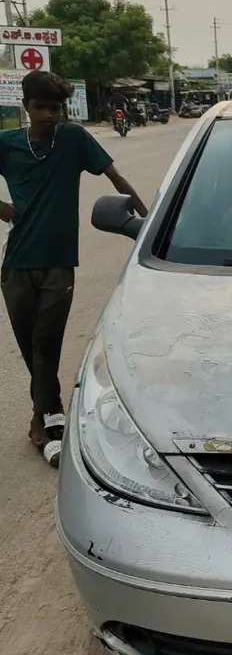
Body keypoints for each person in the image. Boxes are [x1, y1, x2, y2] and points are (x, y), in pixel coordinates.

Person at [0, 71, 147, 466]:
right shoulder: (7, 143)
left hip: (58, 264)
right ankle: (49, 416)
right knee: (31, 348)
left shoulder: (73, 139)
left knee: (46, 344)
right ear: (26, 106)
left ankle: (43, 422)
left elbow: (117, 179)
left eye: (55, 108)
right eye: (41, 107)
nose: (49, 115)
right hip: (16, 265)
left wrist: (150, 222)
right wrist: (4, 210)